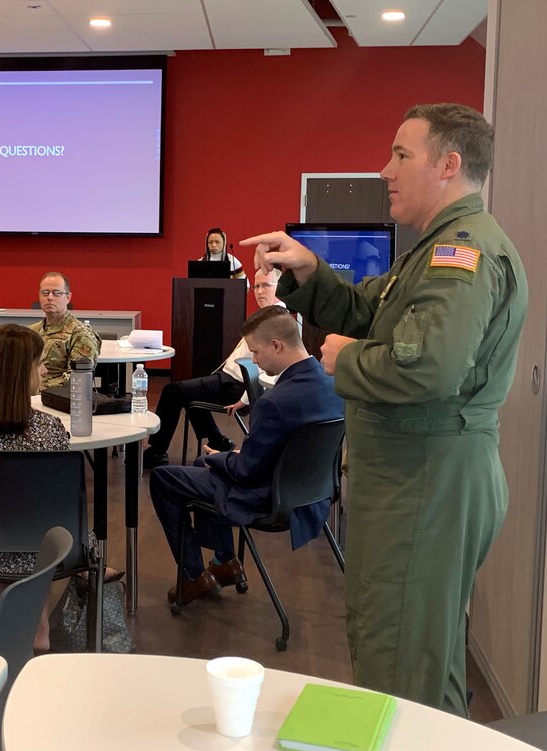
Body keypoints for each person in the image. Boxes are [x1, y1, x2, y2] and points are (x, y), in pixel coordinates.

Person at [242, 103, 528, 716]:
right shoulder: (432, 251)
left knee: (398, 664)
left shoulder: (462, 256)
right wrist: (310, 269)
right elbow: (367, 309)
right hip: (417, 478)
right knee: (416, 653)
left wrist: (345, 360)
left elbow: (431, 368)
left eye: (402, 155)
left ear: (449, 164)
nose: (385, 170)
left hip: (427, 479)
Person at [149, 306, 343, 606]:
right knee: (203, 464)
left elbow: (245, 472)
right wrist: (232, 456)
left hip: (268, 498)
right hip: (313, 494)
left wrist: (222, 456)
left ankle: (192, 576)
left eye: (255, 351)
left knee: (165, 478)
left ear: (276, 345)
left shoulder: (274, 402)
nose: (253, 360)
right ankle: (225, 562)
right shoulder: (334, 387)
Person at [0, 323, 116, 650]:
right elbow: (55, 504)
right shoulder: (48, 429)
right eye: (39, 363)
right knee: (50, 526)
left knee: (13, 518)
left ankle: (32, 623)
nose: (45, 369)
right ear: (21, 373)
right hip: (51, 554)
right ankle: (44, 622)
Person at [143, 273, 284, 469]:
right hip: (227, 380)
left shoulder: (276, 321)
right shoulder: (267, 316)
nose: (259, 291)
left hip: (235, 386)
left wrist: (245, 398)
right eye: (256, 286)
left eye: (266, 286)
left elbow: (268, 370)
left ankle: (157, 452)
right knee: (186, 393)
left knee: (172, 391)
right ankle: (217, 440)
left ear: (280, 287)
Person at [28, 272, 100, 390]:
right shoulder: (32, 331)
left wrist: (39, 388)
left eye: (56, 293)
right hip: (26, 396)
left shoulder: (81, 334)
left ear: (68, 297)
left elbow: (78, 378)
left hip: (56, 399)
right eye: (45, 293)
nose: (50, 297)